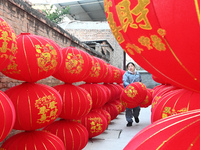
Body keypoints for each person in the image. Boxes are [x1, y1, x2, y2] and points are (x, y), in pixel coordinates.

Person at [123, 62, 142, 127]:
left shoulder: (138, 74)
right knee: (128, 108)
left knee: (137, 107)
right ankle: (129, 121)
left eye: (131, 66)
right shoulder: (126, 74)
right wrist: (131, 86)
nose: (130, 67)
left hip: (137, 93)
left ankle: (136, 116)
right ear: (127, 68)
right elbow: (125, 82)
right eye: (129, 66)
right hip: (129, 92)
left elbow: (140, 82)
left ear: (134, 67)